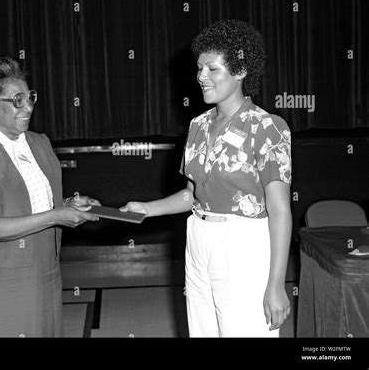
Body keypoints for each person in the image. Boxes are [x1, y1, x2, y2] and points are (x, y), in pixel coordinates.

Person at [121, 19, 292, 337]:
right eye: (199, 68)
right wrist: (146, 209)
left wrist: (276, 284)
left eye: (212, 69)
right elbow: (192, 195)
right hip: (198, 238)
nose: (200, 77)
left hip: (243, 244)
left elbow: (280, 210)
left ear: (240, 71)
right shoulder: (198, 125)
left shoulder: (267, 127)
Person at [0, 57, 100, 337]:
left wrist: (67, 205)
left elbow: (34, 206)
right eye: (16, 100)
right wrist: (57, 215)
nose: (28, 106)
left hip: (42, 274)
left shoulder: (39, 143)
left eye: (29, 97)